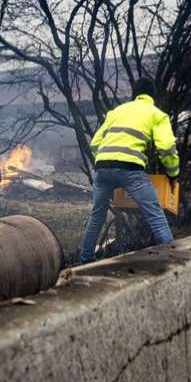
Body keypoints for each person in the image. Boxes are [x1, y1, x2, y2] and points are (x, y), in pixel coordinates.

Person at [79, 76, 180, 264]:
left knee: (97, 216)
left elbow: (94, 144)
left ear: (135, 94)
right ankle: (171, 263)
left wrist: (106, 162)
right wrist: (173, 173)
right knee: (156, 217)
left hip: (102, 168)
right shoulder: (156, 114)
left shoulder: (116, 111)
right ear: (153, 96)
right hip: (130, 170)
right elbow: (166, 147)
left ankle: (85, 262)